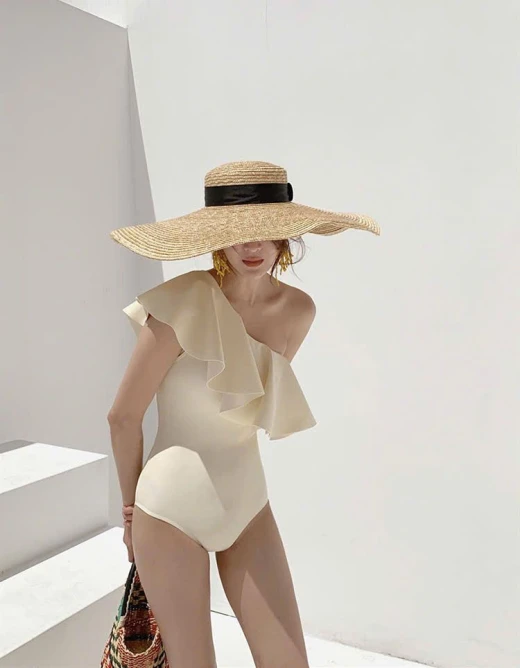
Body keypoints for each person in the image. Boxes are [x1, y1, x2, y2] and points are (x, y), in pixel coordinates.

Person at [107, 160, 380, 667]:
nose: (251, 246)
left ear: (286, 236)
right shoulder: (181, 301)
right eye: (236, 233)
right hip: (168, 510)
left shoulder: (298, 311)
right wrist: (129, 513)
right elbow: (122, 416)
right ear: (217, 238)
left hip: (247, 502)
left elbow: (249, 407)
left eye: (266, 230)